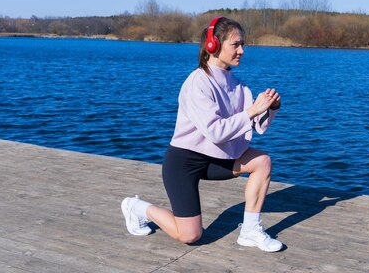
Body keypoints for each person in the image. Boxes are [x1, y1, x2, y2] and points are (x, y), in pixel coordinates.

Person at [121, 17, 283, 252]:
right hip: (184, 163)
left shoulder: (238, 85)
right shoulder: (198, 83)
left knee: (262, 162)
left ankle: (249, 230)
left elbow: (258, 125)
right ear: (213, 45)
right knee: (190, 235)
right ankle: (136, 207)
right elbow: (216, 132)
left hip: (217, 159)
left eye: (242, 44)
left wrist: (271, 109)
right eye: (236, 45)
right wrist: (251, 111)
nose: (242, 51)